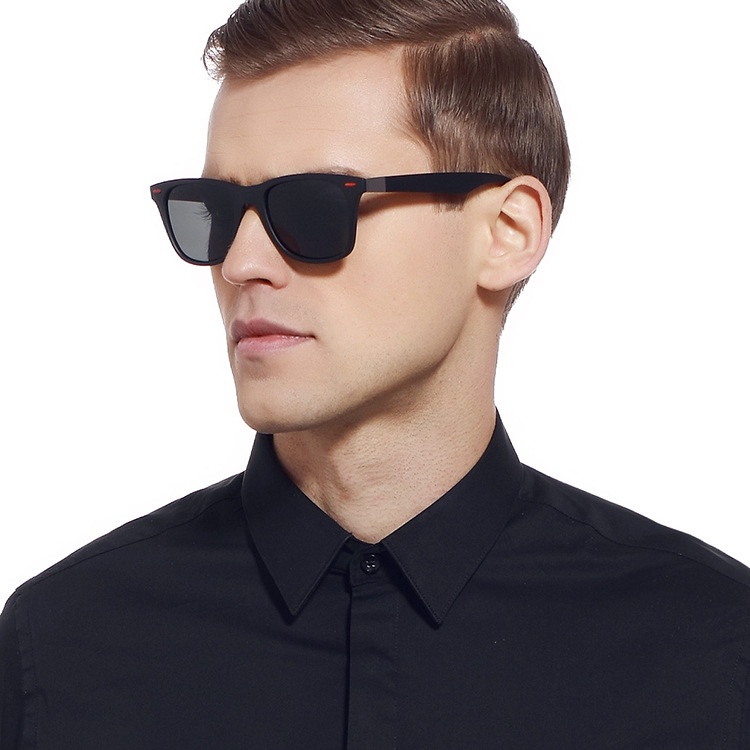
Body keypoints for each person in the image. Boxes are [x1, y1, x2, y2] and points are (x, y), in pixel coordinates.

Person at [1, 0, 748, 747]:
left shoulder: (712, 649)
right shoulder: (61, 648)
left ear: (507, 232)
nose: (240, 264)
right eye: (216, 210)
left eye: (314, 206)